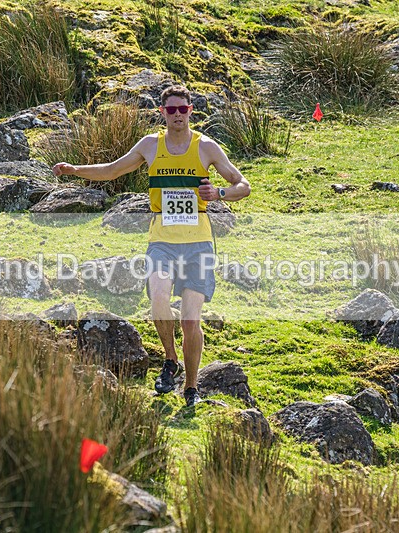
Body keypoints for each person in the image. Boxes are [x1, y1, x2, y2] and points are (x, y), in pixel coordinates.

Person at [52, 85, 251, 406]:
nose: (176, 115)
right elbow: (113, 169)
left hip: (198, 244)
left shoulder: (207, 148)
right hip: (161, 242)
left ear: (190, 111)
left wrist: (220, 194)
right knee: (158, 299)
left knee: (190, 320)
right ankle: (170, 360)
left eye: (182, 110)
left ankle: (190, 387)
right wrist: (76, 170)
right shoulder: (150, 146)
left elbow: (243, 184)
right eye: (170, 110)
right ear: (162, 113)